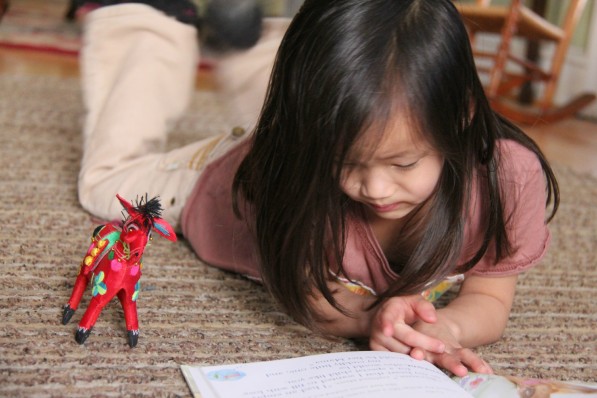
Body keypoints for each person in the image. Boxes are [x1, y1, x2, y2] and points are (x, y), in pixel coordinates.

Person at [77, 0, 559, 377]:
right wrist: (370, 318)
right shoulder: (293, 177)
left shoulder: (508, 179)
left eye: (403, 162)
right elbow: (312, 297)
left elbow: (491, 303)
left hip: (311, 132)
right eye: (346, 164)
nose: (372, 187)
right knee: (103, 186)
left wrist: (442, 329)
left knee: (341, 118)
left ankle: (245, 41)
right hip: (220, 176)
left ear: (461, 118)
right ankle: (144, 25)